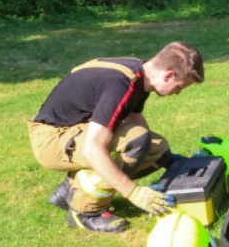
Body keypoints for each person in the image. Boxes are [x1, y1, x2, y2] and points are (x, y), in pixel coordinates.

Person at [27, 43, 204, 233]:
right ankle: (85, 212)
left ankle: (68, 189)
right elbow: (92, 149)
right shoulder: (121, 84)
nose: (177, 93)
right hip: (50, 138)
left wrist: (165, 159)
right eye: (179, 87)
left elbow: (134, 117)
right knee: (135, 141)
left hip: (72, 129)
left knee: (154, 146)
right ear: (168, 75)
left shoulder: (138, 73)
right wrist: (133, 192)